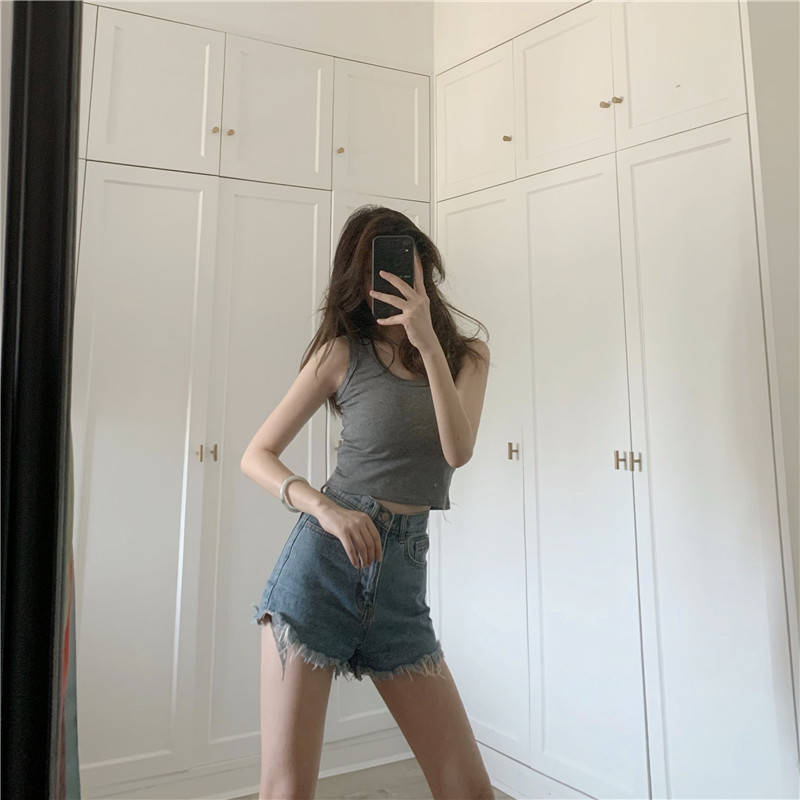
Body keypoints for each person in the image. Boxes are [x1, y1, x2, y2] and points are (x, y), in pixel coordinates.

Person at [241, 205, 492, 799]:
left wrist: (427, 344)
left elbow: (457, 451)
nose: (396, 280)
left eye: (407, 265)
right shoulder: (340, 354)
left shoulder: (468, 356)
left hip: (401, 584)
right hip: (321, 571)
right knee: (287, 790)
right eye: (378, 271)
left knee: (468, 789)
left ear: (425, 267)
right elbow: (257, 454)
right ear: (358, 281)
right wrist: (324, 509)